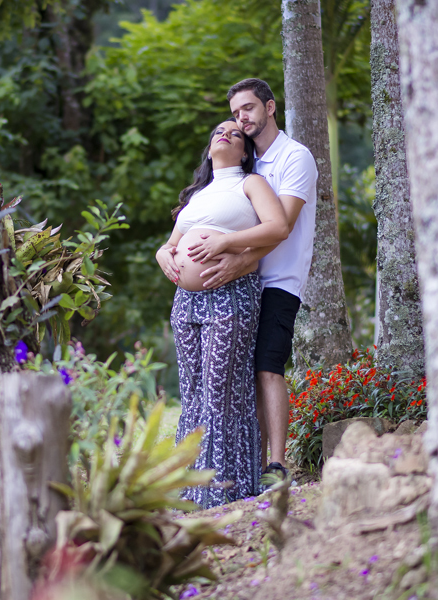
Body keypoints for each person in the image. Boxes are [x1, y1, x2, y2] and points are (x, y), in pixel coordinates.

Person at [162, 79, 318, 480]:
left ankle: (276, 464)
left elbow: (280, 227)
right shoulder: (248, 165)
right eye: (234, 114)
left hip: (277, 278)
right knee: (231, 380)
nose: (240, 119)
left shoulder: (293, 158)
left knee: (267, 366)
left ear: (270, 108)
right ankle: (240, 467)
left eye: (247, 109)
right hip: (235, 284)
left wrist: (237, 259)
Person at [156, 118, 288, 508]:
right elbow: (171, 243)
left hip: (230, 293)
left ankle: (224, 488)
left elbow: (277, 226)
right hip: (186, 301)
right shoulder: (198, 196)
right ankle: (192, 489)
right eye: (218, 131)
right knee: (193, 391)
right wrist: (164, 253)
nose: (225, 134)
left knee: (220, 389)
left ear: (245, 150)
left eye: (235, 132)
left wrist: (225, 242)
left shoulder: (250, 184)